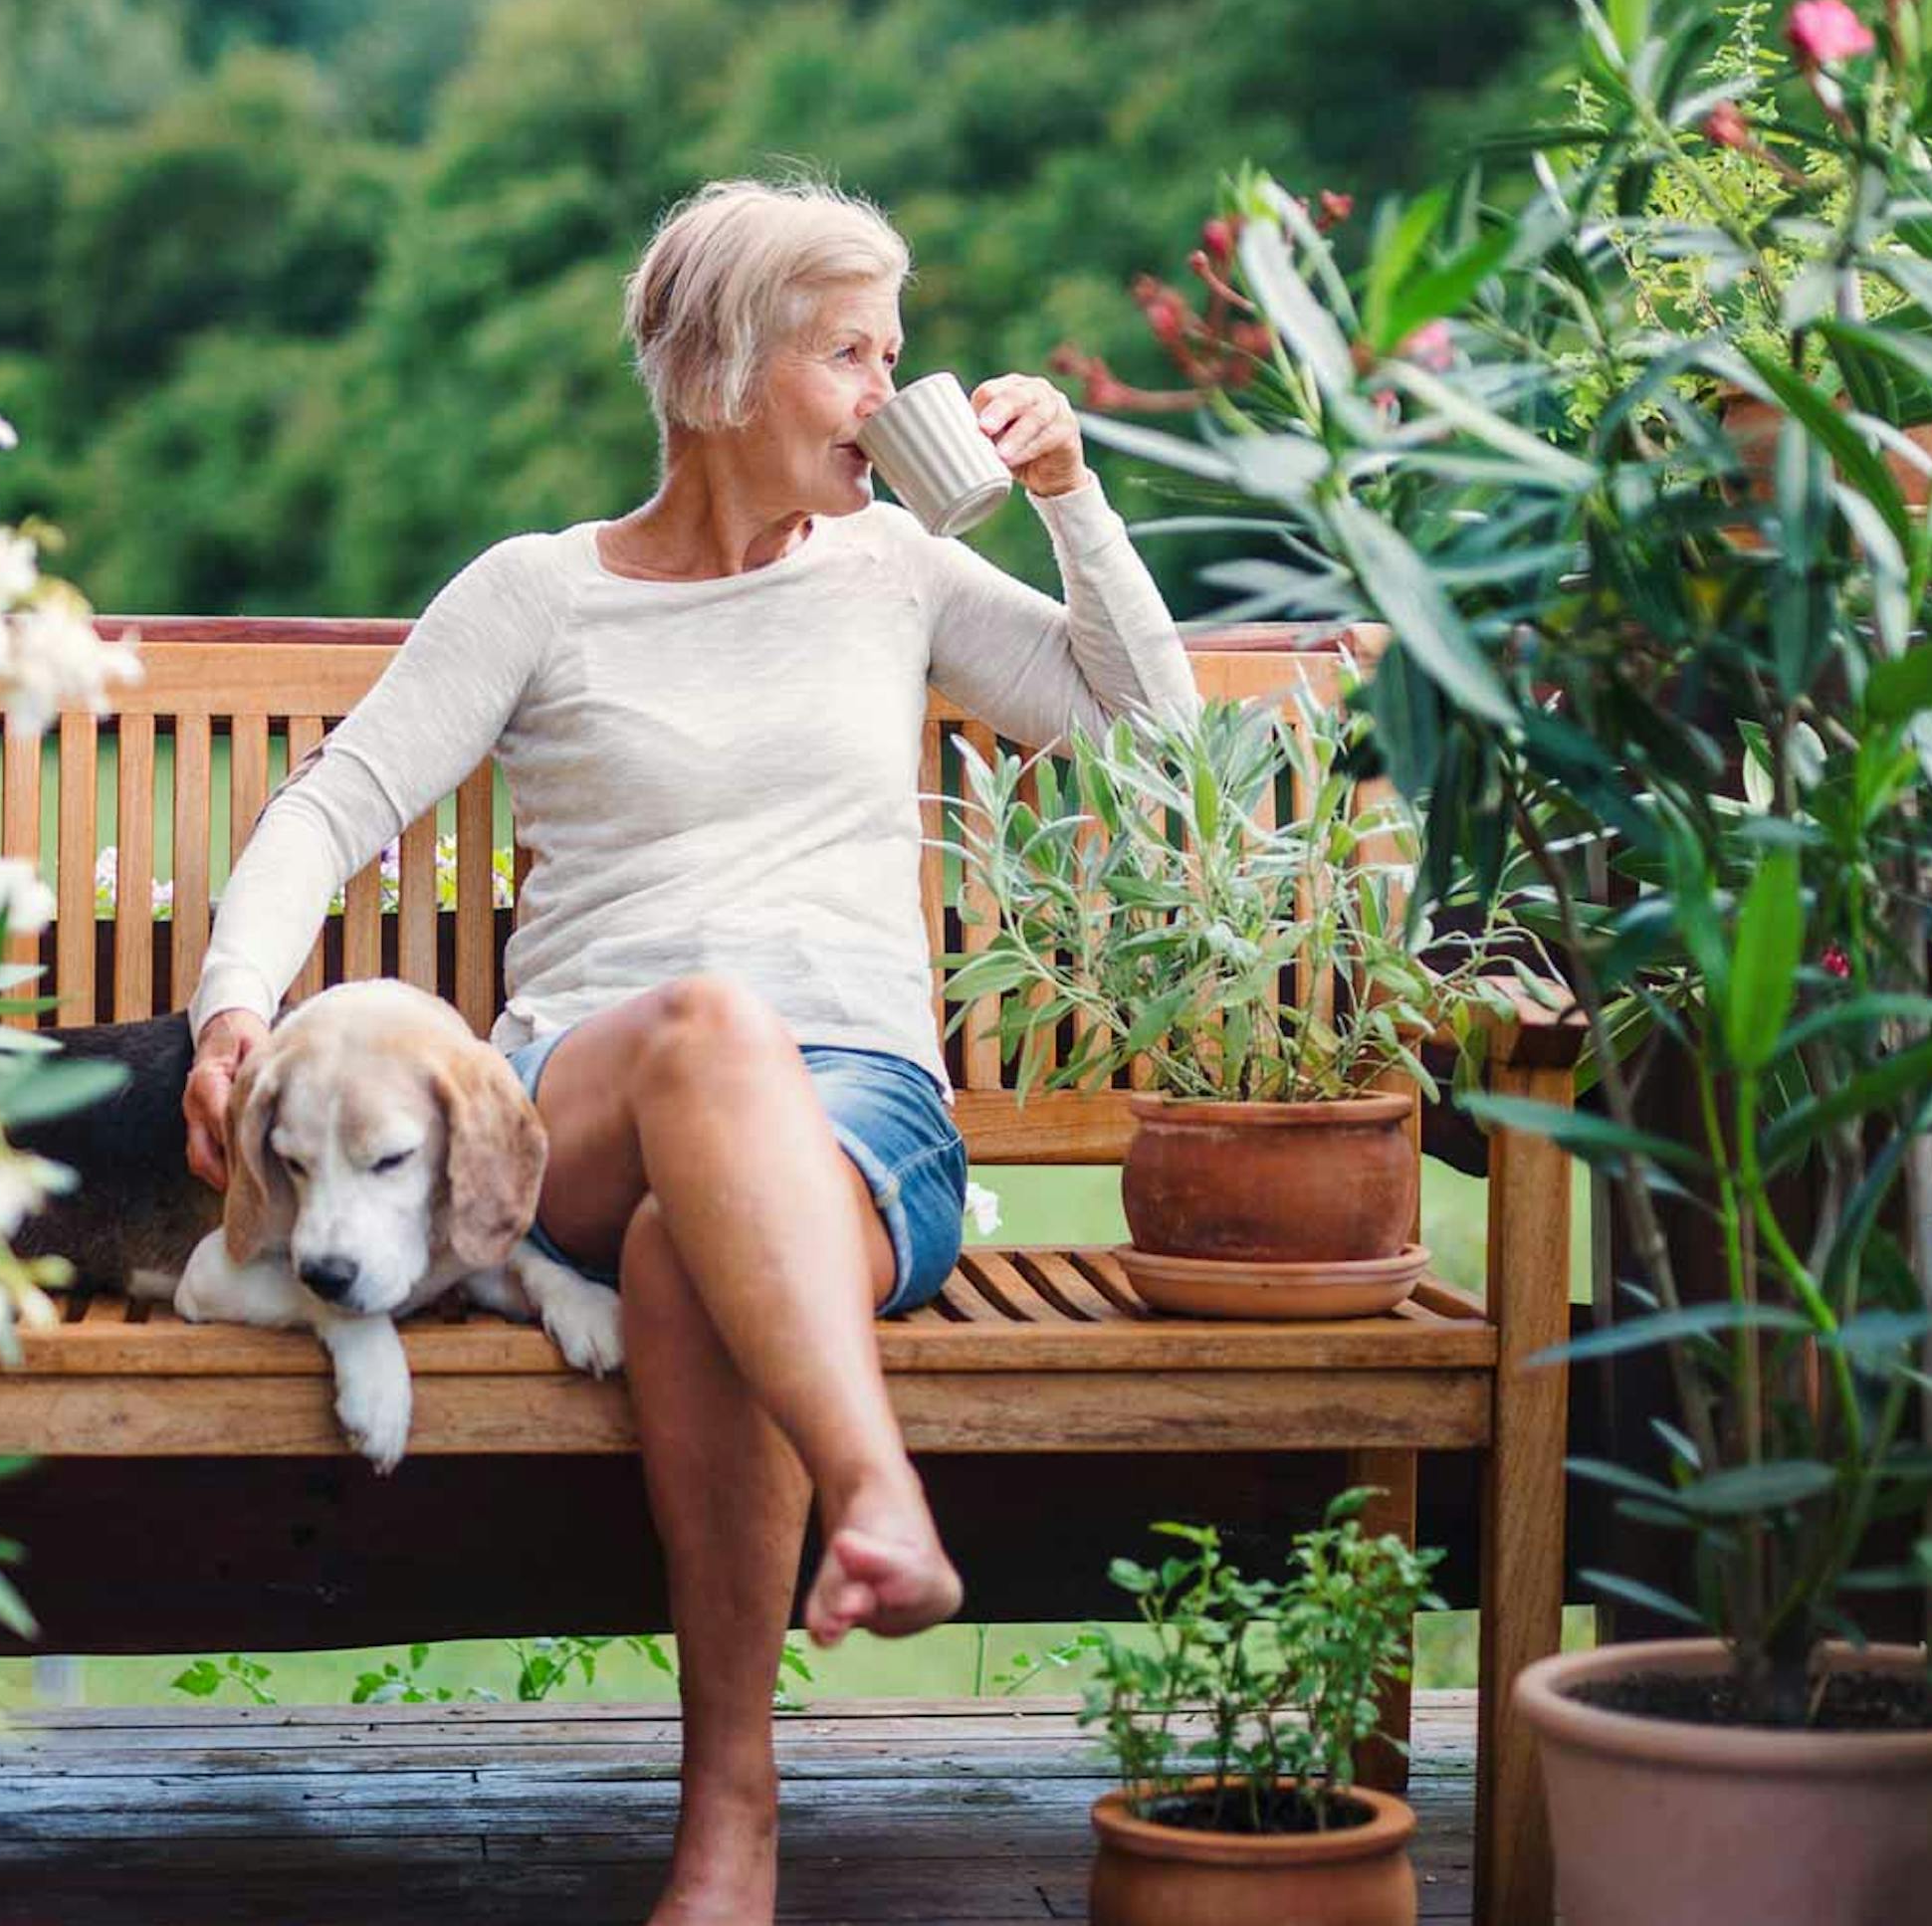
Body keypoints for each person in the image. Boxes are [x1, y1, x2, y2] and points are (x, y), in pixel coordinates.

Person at [178, 172, 1198, 1926]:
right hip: (573, 1100)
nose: (893, 390)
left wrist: (1069, 496)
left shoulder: (898, 569)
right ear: (726, 372)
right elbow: (331, 805)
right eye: (851, 355)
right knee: (709, 1028)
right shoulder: (537, 596)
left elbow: (1152, 735)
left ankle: (730, 1830)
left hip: (858, 1115)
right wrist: (233, 1007)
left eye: (897, 351)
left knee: (682, 1250)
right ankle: (881, 1493)